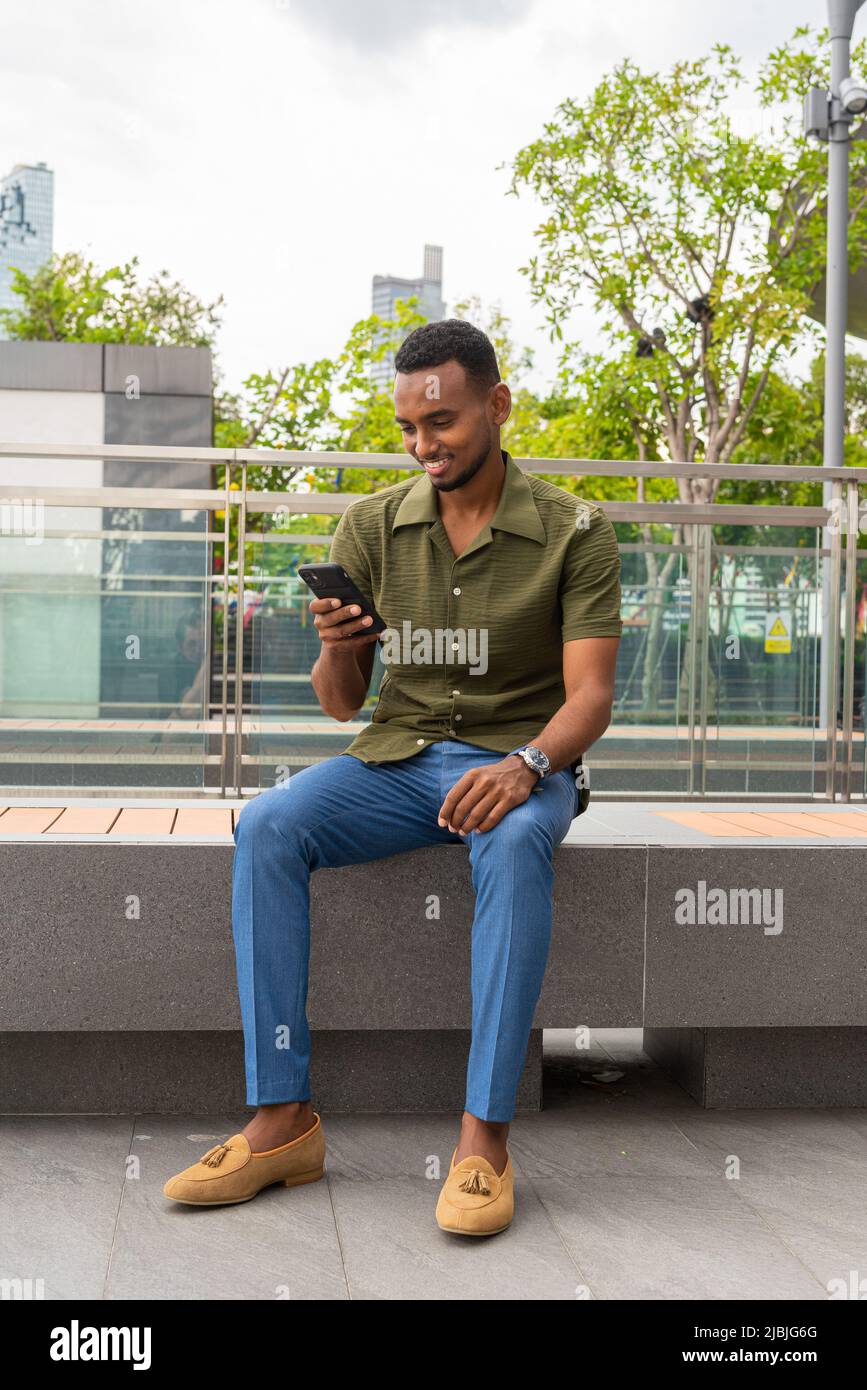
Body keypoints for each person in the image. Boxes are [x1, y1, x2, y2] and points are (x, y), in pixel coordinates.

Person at [163, 319, 622, 1236]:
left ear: (496, 405)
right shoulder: (372, 524)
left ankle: (483, 1139)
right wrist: (337, 648)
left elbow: (591, 697)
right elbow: (342, 705)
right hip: (397, 759)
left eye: (442, 422)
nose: (424, 446)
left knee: (521, 840)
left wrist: (528, 765)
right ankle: (282, 1120)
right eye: (410, 427)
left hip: (517, 764)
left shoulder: (577, 529)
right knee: (268, 825)